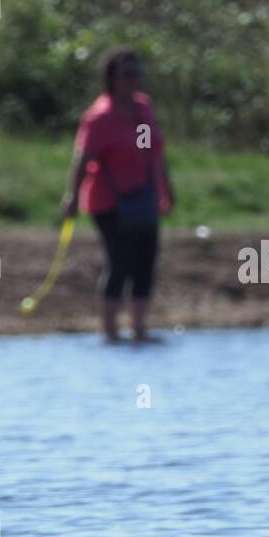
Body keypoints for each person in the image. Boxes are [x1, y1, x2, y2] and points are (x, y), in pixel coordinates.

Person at [61, 49, 174, 342]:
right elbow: (82, 159)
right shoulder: (99, 117)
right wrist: (71, 196)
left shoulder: (144, 108)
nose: (135, 80)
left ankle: (139, 329)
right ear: (112, 78)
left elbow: (154, 153)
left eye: (139, 73)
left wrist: (166, 189)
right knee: (120, 262)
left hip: (144, 197)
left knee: (145, 261)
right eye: (128, 75)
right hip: (108, 202)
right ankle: (110, 332)